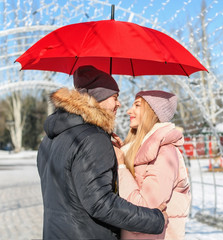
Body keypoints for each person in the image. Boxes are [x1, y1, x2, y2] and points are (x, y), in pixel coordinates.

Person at [37, 66, 167, 240]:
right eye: (115, 97)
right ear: (99, 98)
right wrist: (155, 219)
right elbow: (100, 203)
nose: (119, 104)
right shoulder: (92, 138)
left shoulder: (50, 139)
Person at [113, 90, 191, 240]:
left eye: (137, 105)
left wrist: (121, 167)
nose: (129, 110)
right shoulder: (138, 148)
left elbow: (146, 209)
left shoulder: (165, 153)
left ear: (153, 112)